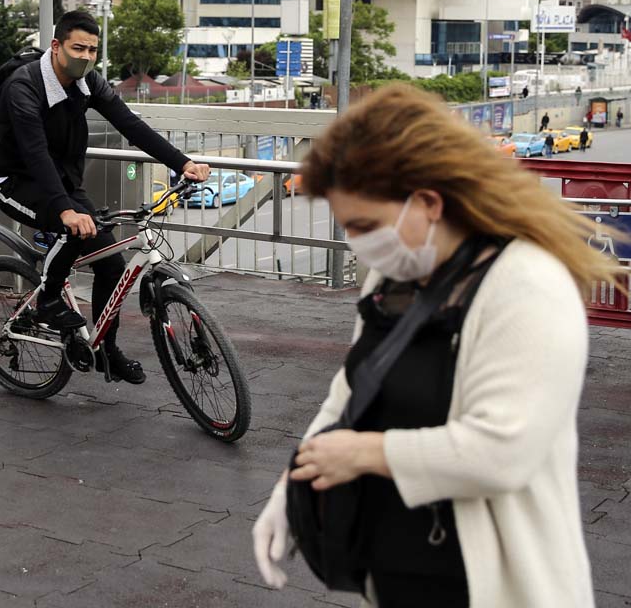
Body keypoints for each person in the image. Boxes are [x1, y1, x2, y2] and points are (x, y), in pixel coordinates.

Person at [253, 84, 617, 606]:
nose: (357, 242)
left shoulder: (529, 285)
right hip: (398, 575)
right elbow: (352, 390)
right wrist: (293, 486)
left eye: (365, 225)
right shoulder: (392, 277)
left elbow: (503, 452)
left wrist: (364, 453)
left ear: (426, 203)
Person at [0, 11, 211, 384]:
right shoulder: (24, 86)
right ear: (56, 46)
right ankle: (48, 300)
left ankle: (106, 350)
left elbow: (130, 124)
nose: (86, 57)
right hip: (15, 183)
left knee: (112, 264)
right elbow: (35, 153)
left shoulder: (87, 82)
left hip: (63, 183)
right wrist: (65, 211)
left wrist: (182, 162)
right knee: (71, 229)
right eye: (78, 48)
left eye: (92, 50)